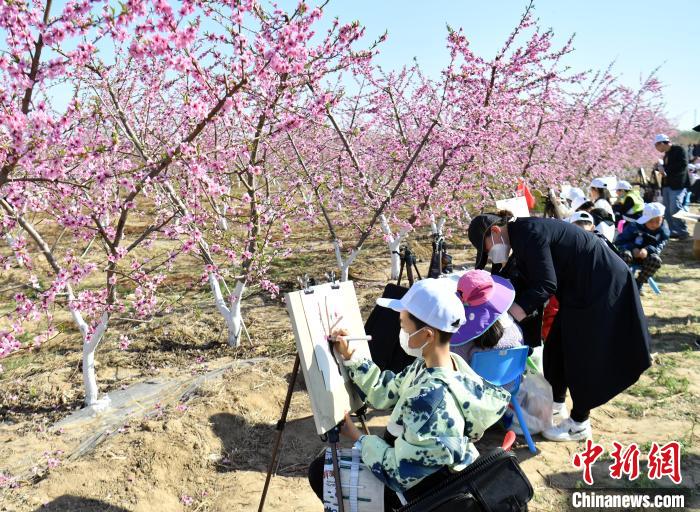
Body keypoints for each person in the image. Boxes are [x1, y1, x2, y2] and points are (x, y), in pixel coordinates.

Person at [308, 278, 510, 509]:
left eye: (404, 326)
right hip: (423, 472)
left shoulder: (431, 399)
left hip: (425, 495)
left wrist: (359, 438)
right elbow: (386, 391)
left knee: (322, 472)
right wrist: (351, 358)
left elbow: (397, 474)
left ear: (427, 335)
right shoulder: (440, 365)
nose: (400, 331)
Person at [467, 211, 651, 442]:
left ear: (495, 232)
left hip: (601, 286)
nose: (489, 254)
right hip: (579, 289)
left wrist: (510, 317)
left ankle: (579, 423)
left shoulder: (528, 234)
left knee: (582, 353)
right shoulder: (520, 234)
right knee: (556, 347)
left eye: (486, 249)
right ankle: (555, 405)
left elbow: (545, 284)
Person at [449, 270, 524, 364]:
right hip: (509, 378)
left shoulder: (461, 343)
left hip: (475, 378)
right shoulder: (516, 331)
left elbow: (456, 367)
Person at [615, 202, 670, 292]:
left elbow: (659, 247)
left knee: (656, 260)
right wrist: (632, 248)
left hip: (647, 258)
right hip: (630, 254)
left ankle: (639, 282)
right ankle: (622, 281)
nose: (654, 224)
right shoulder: (634, 226)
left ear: (662, 219)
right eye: (650, 221)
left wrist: (648, 250)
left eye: (657, 221)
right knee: (624, 255)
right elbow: (620, 241)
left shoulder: (663, 232)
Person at [654, 134, 690, 239]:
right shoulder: (666, 154)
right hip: (667, 185)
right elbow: (668, 167)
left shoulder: (679, 150)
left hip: (678, 185)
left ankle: (682, 231)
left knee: (675, 208)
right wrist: (659, 168)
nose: (657, 149)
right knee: (667, 210)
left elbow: (682, 165)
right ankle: (672, 230)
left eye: (657, 146)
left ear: (661, 143)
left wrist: (666, 171)